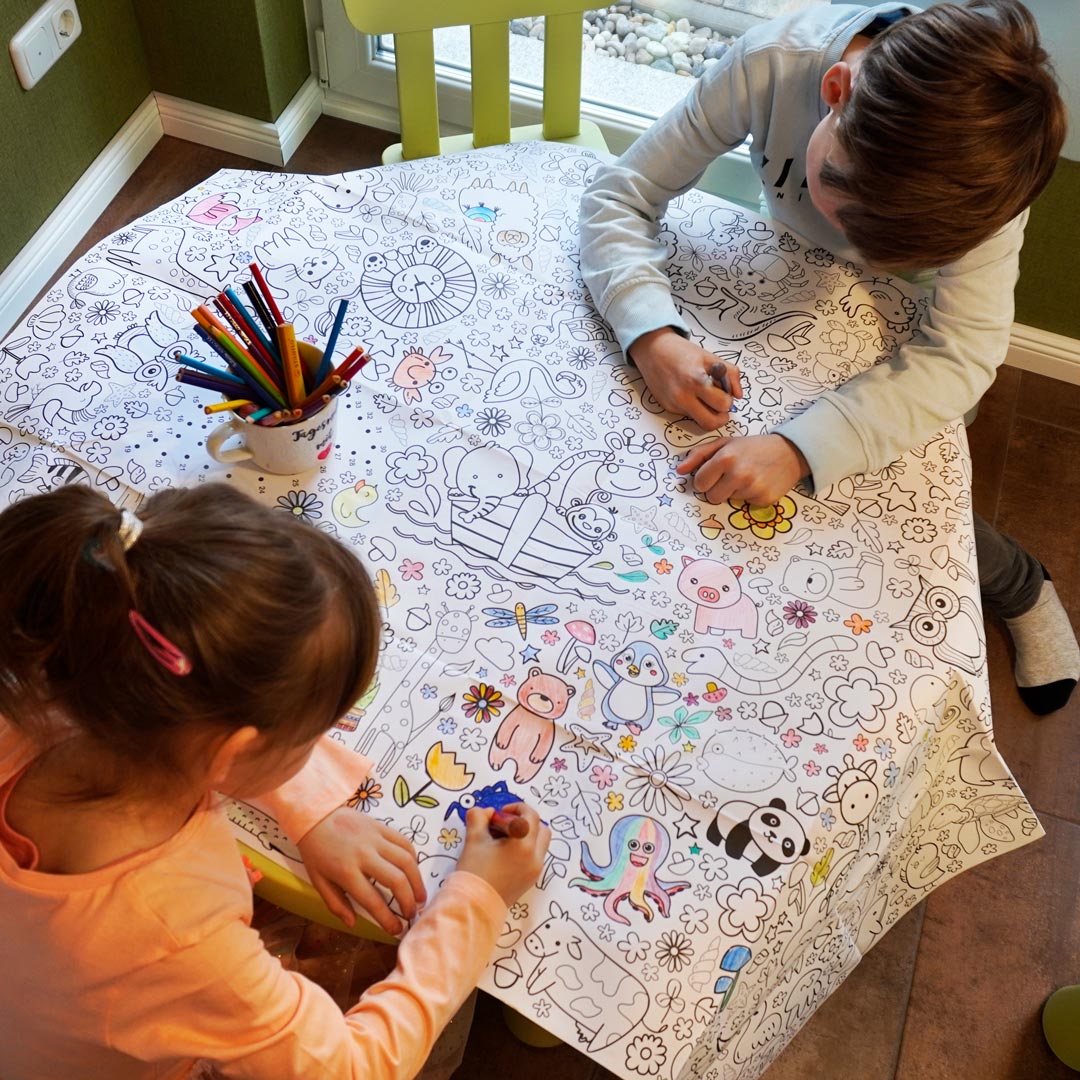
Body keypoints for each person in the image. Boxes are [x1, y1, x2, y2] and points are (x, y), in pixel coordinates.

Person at [580, 0, 1078, 715]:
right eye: (846, 211)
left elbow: (963, 351)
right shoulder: (772, 61)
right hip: (778, 293)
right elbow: (618, 196)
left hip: (903, 349)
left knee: (892, 502)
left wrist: (802, 446)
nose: (860, 248)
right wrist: (654, 336)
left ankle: (1018, 581)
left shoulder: (987, 172)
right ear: (835, 92)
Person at [0, 483, 550, 1079]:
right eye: (309, 738)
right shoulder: (179, 940)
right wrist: (478, 896)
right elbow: (354, 1067)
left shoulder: (46, 686)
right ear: (233, 750)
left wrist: (310, 807)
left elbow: (185, 714)